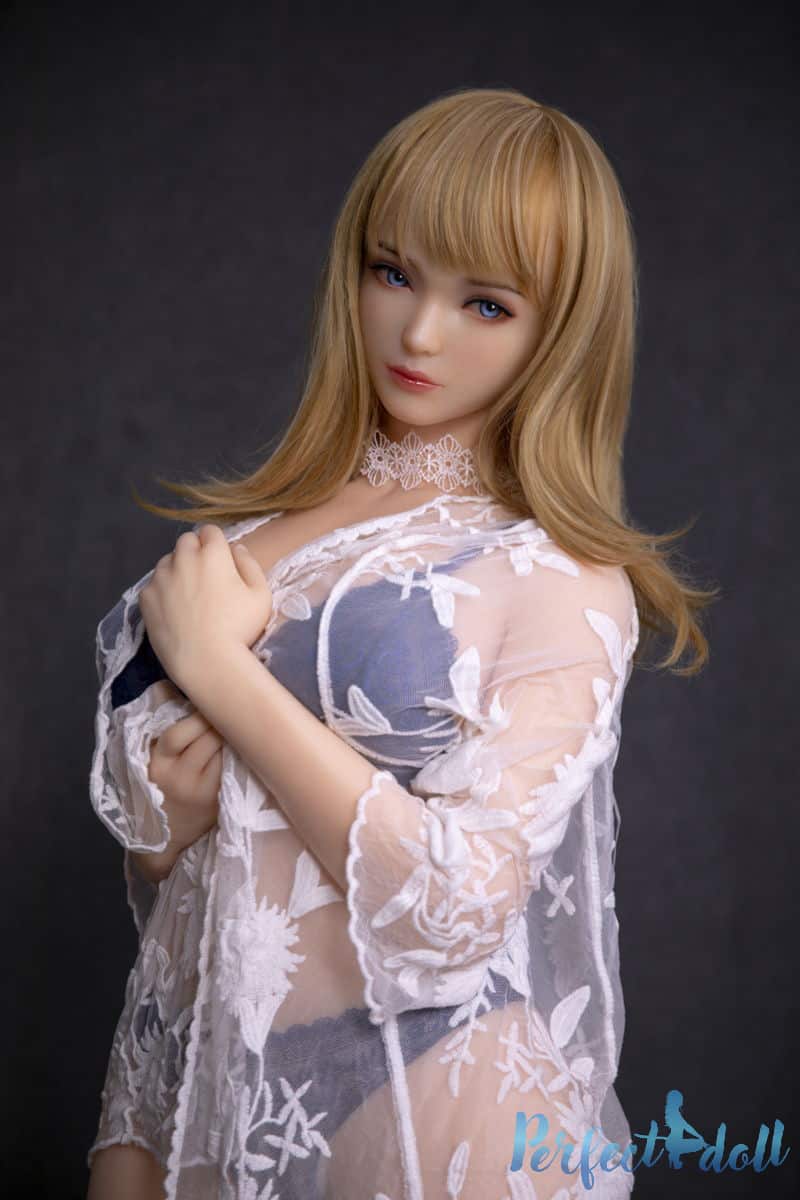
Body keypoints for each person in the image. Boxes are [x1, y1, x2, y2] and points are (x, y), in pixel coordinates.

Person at [86, 87, 717, 1200]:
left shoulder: (557, 572)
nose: (420, 334)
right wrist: (159, 831)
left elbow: (457, 909)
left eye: (486, 304)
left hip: (434, 1089)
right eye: (393, 274)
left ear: (561, 328)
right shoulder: (259, 530)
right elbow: (167, 854)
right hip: (189, 1070)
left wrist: (221, 673)